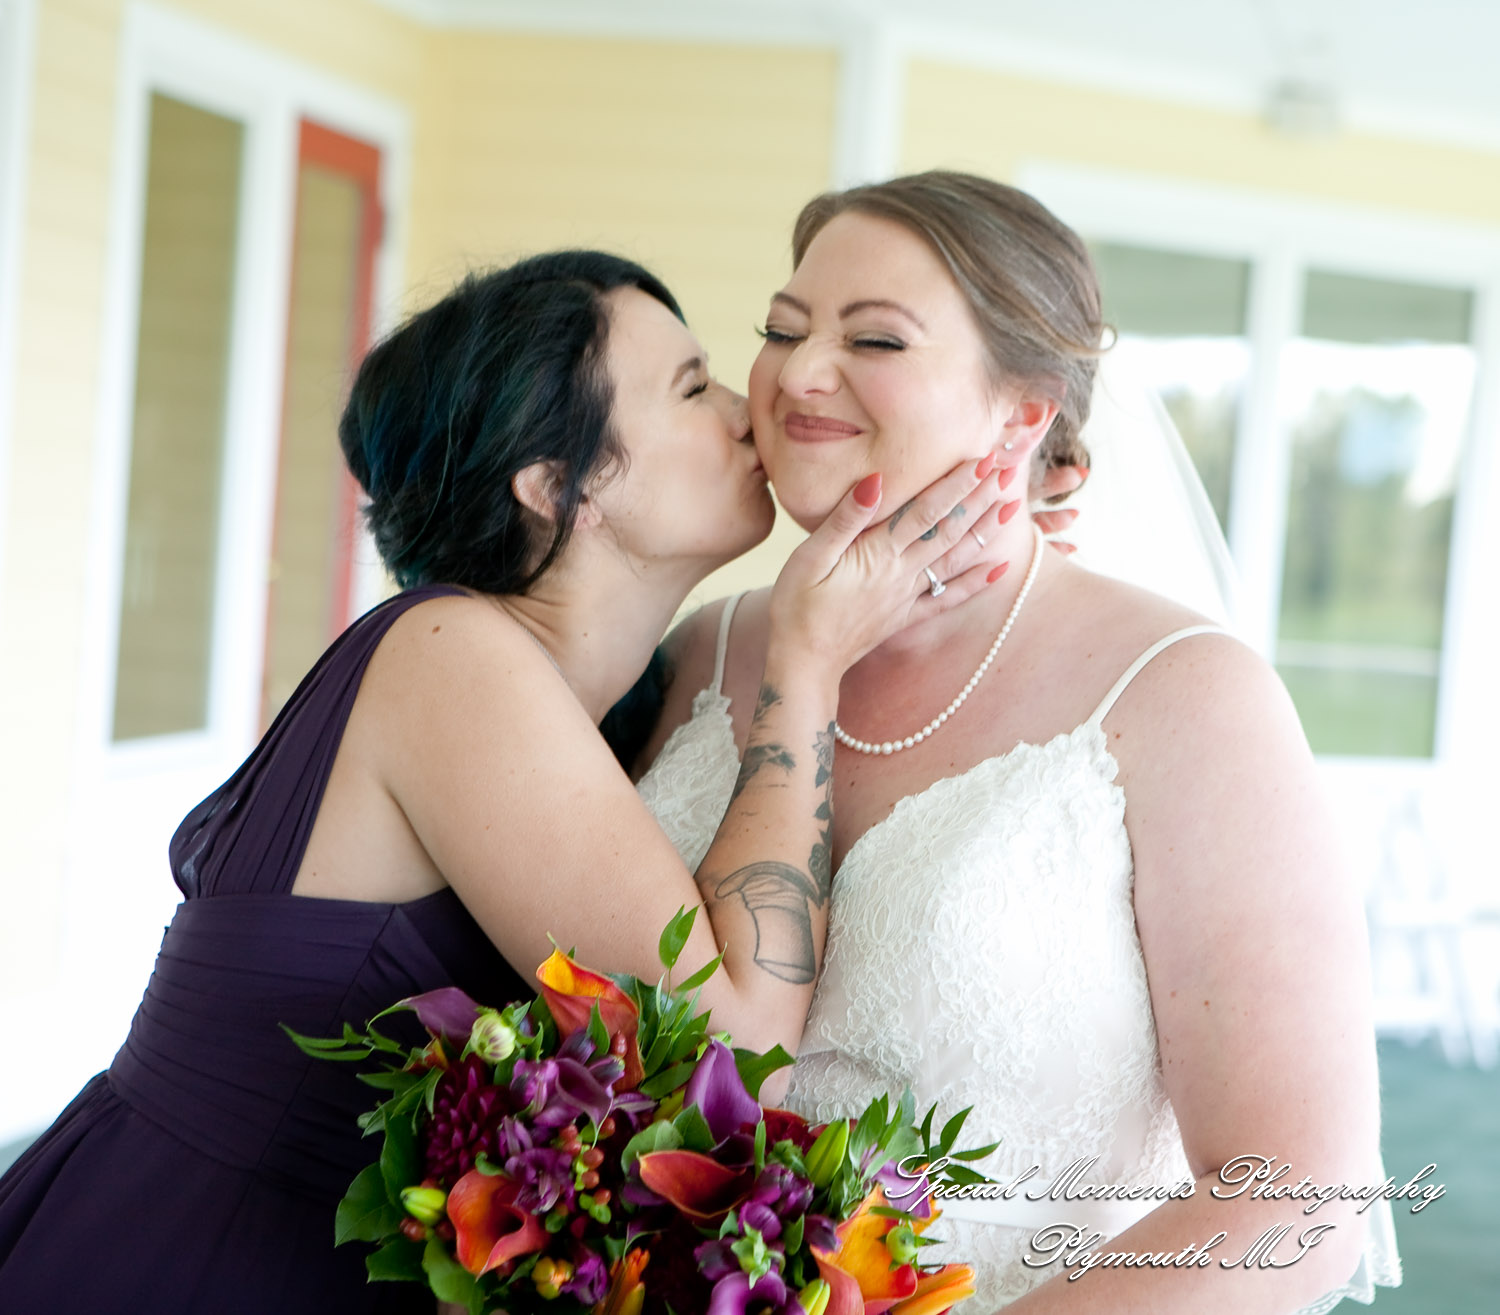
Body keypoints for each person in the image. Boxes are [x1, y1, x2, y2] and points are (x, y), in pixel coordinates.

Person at [0, 250, 1015, 1311]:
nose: (743, 410)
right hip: (185, 1256)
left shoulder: (612, 699)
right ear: (554, 484)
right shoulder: (450, 656)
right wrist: (806, 665)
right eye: (689, 385)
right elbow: (735, 1051)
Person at [633, 173, 1400, 1313]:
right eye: (780, 330)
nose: (796, 372)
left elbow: (1294, 1197)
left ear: (1025, 409)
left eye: (874, 337)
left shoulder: (1188, 695)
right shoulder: (702, 651)